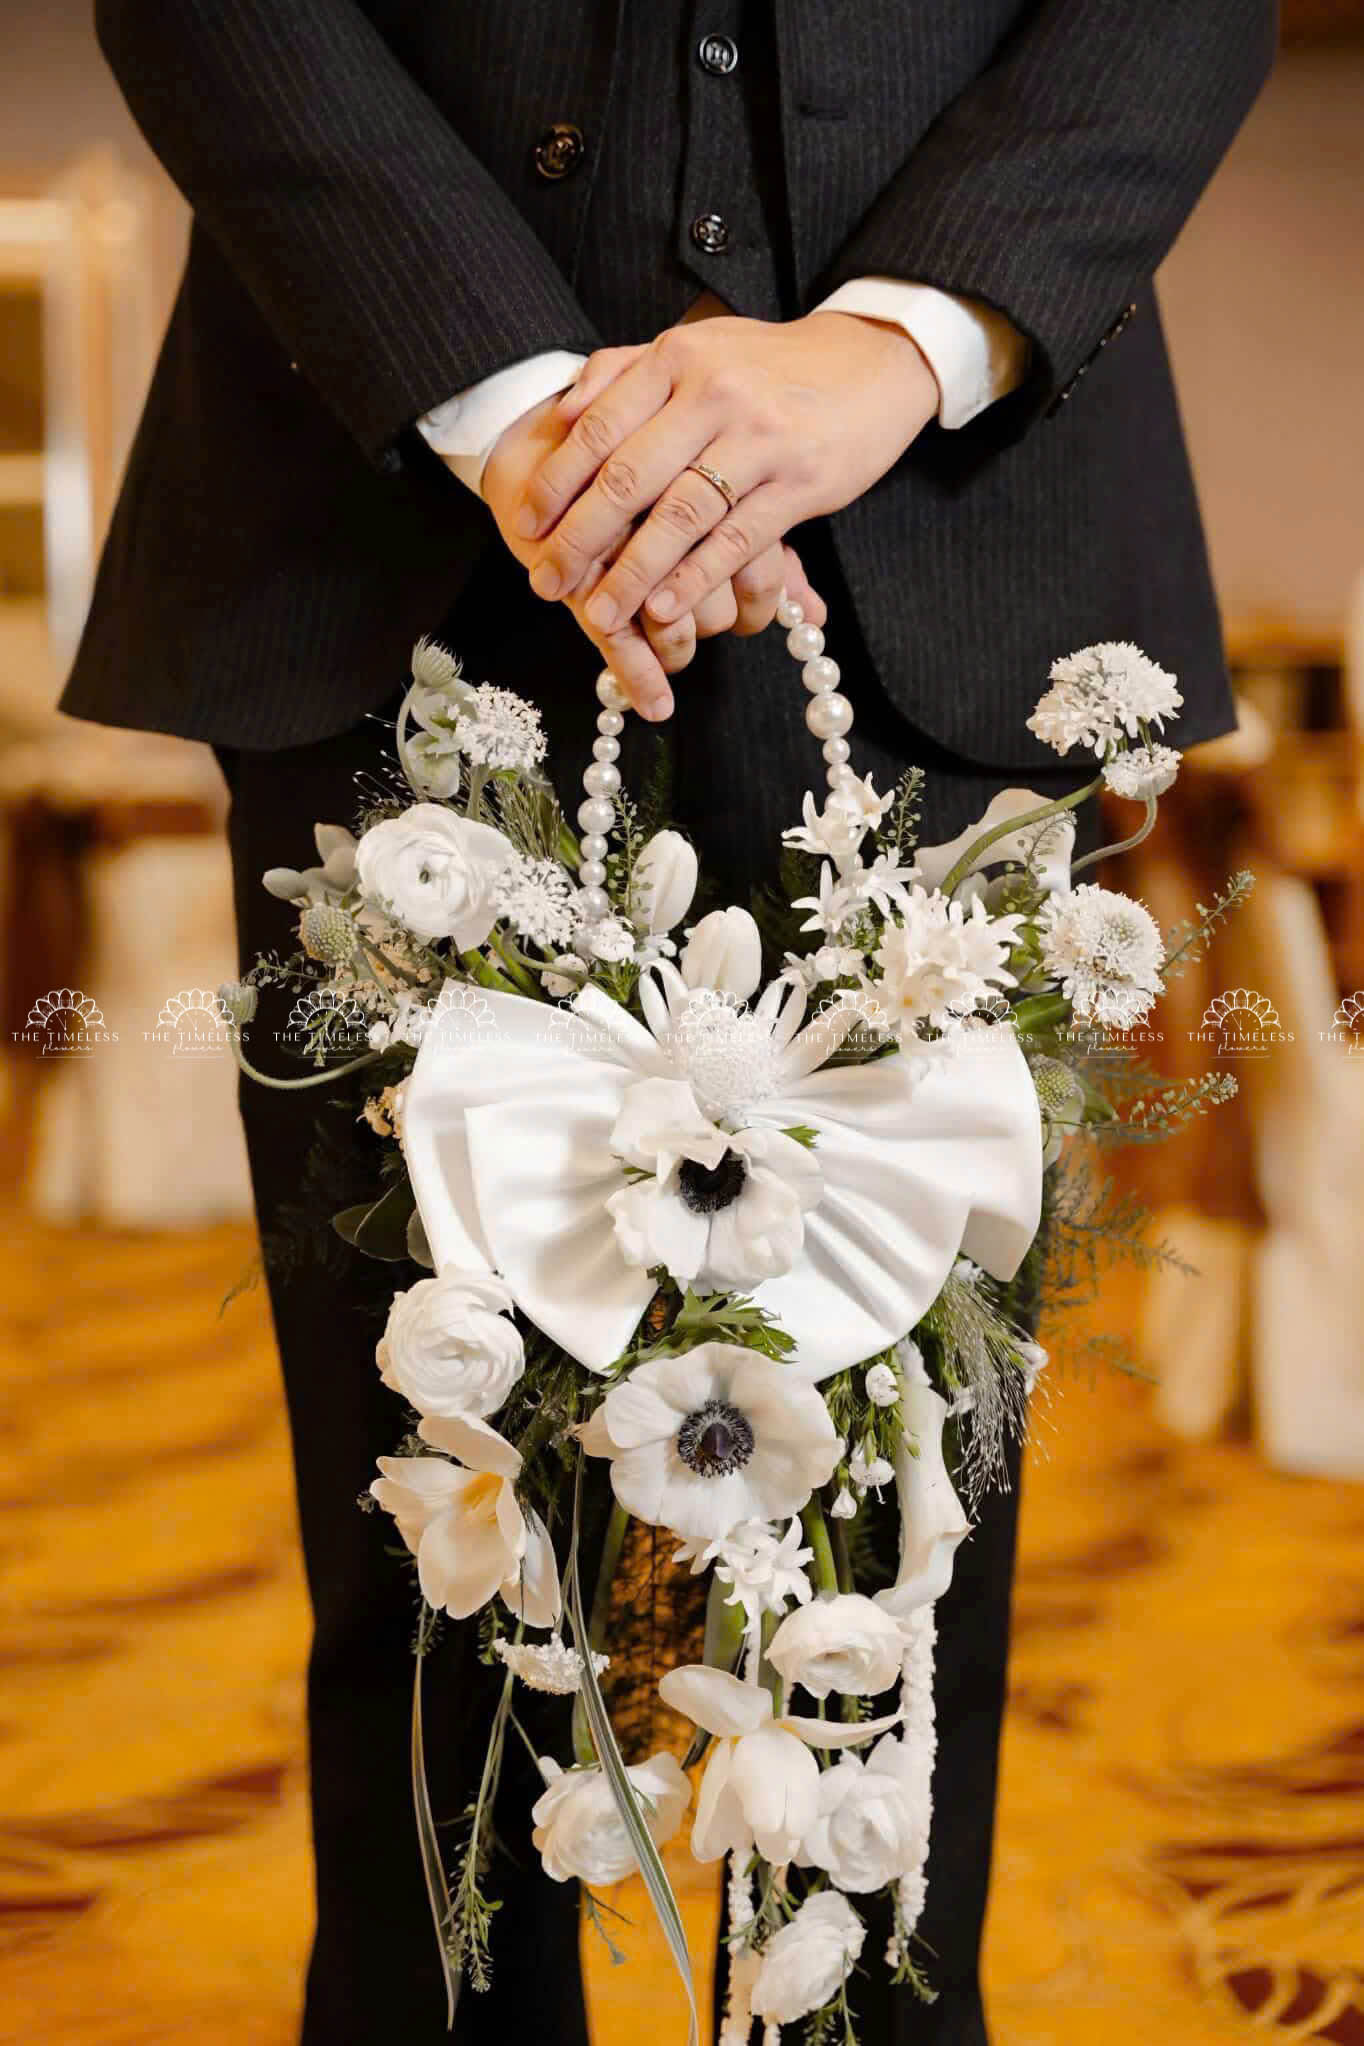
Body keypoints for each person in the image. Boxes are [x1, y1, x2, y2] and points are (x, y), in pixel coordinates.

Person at [61, 4, 1276, 2040]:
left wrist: (892, 346)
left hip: (943, 534)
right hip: (392, 517)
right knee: (431, 1520)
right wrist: (518, 403)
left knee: (894, 1567)